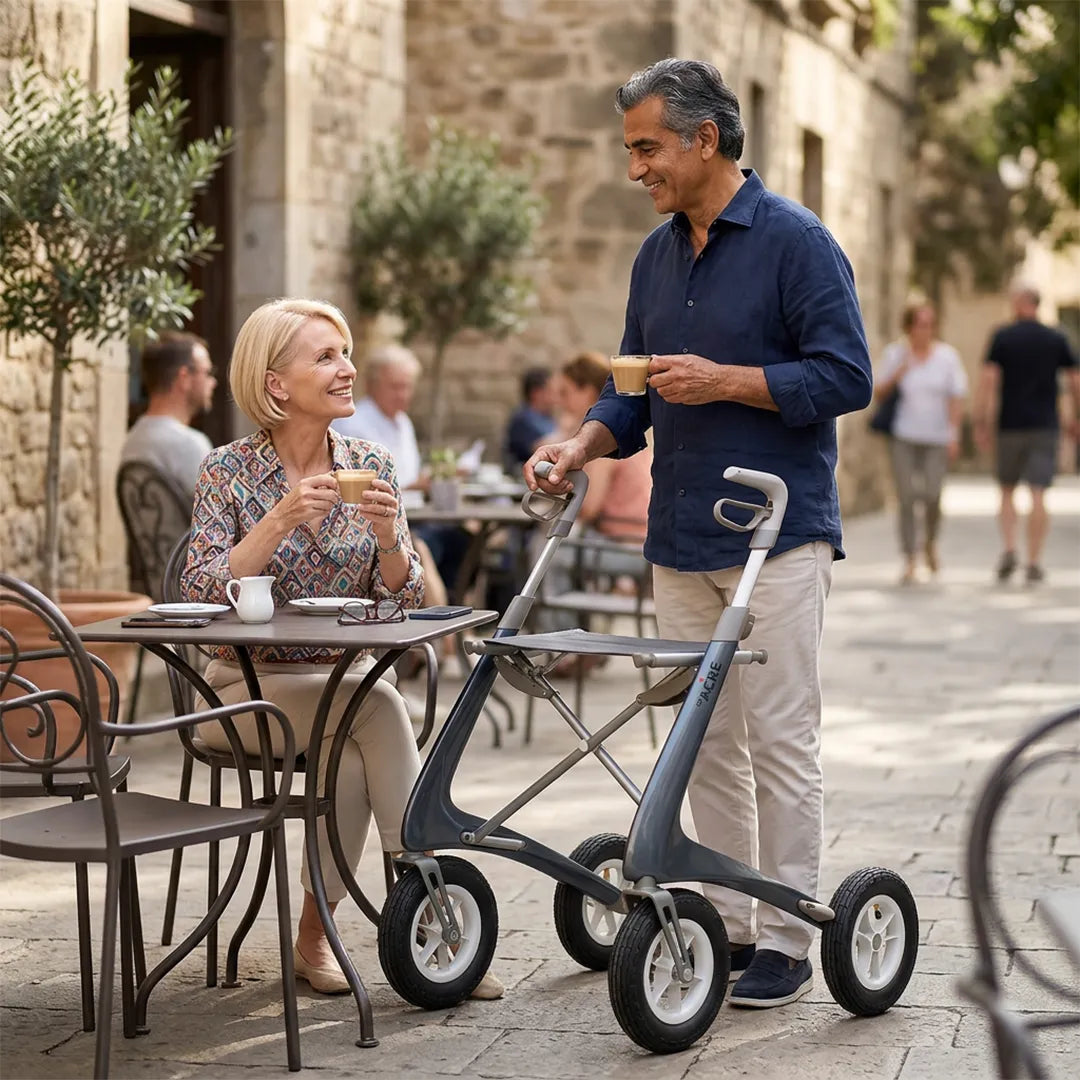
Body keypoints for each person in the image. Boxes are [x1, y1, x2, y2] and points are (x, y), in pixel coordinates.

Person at [525, 59, 872, 1008]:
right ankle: (725, 919)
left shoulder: (800, 244)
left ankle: (793, 936)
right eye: (630, 148)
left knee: (779, 738)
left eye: (647, 147)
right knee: (700, 740)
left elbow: (847, 378)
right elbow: (626, 392)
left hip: (778, 535)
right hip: (677, 539)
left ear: (703, 139)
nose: (635, 167)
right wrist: (581, 445)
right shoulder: (655, 256)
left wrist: (727, 380)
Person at [181, 298, 502, 1000]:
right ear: (275, 384)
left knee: (355, 744)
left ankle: (318, 937)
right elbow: (202, 589)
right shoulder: (225, 471)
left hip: (343, 688)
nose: (347, 369)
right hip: (239, 689)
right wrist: (280, 519)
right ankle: (436, 911)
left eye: (346, 353)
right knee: (377, 708)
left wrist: (390, 541)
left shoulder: (372, 462)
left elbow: (401, 602)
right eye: (325, 357)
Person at [332, 344, 466, 601]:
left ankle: (456, 622)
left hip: (416, 515)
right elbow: (356, 490)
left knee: (463, 540)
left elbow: (409, 474)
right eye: (395, 386)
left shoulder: (404, 423)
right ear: (372, 386)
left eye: (407, 386)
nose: (403, 394)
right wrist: (417, 484)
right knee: (423, 548)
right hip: (376, 523)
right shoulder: (353, 423)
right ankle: (445, 637)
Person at [974, 283, 1080, 584]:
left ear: (1021, 303)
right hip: (1045, 425)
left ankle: (1010, 548)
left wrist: (981, 421)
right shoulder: (1056, 337)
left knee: (1007, 490)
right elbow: (1074, 380)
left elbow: (988, 380)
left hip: (1010, 424)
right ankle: (1034, 560)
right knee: (1038, 493)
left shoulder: (1003, 337)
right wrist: (1076, 418)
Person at [874, 300, 967, 584]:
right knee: (906, 497)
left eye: (930, 324)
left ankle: (930, 542)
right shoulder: (895, 354)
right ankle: (910, 557)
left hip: (937, 438)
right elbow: (878, 393)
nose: (926, 330)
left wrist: (954, 434)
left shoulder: (947, 357)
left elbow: (956, 397)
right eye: (920, 324)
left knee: (932, 495)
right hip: (903, 436)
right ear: (909, 327)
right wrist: (899, 372)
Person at [120, 331, 217, 498]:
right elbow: (221, 518)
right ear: (184, 378)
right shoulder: (190, 445)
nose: (213, 382)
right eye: (207, 373)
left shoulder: (132, 440)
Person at [503, 366, 557, 473]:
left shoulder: (548, 417)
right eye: (550, 390)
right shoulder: (523, 419)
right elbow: (539, 447)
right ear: (536, 393)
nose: (555, 396)